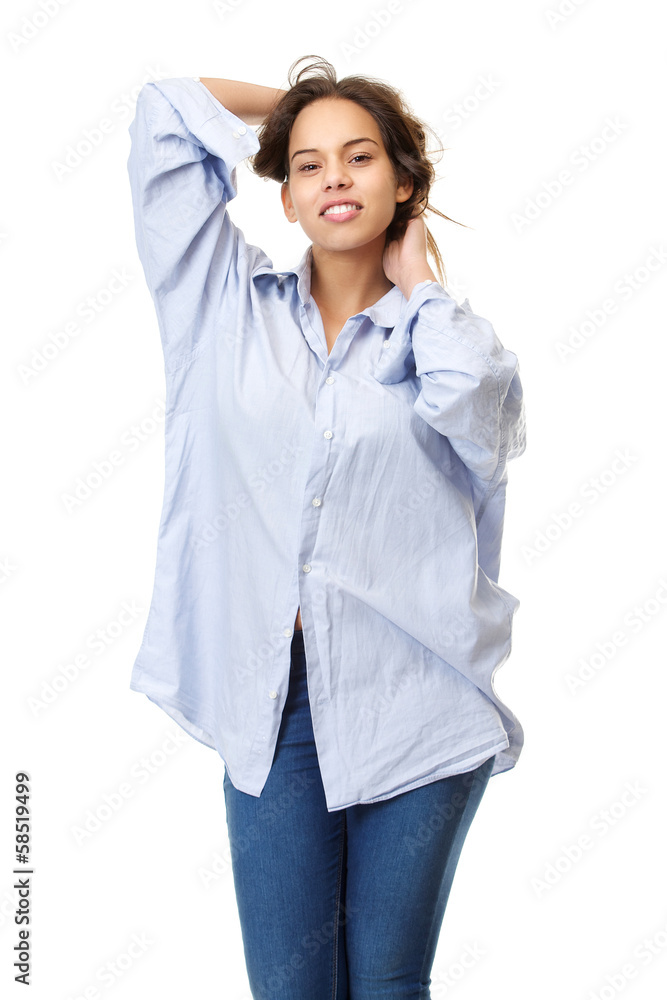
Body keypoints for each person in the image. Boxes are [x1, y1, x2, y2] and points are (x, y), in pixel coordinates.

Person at [126, 54, 527, 1000]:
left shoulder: (444, 343)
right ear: (285, 196)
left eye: (360, 157)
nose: (334, 177)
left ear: (404, 185)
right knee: (291, 991)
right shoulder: (220, 310)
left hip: (418, 699)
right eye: (307, 164)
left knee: (385, 986)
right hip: (272, 705)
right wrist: (306, 103)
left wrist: (420, 285)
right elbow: (163, 114)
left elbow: (482, 419)